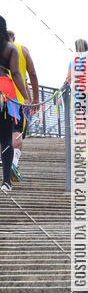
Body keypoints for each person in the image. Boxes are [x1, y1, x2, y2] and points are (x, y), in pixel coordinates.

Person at [6, 30, 39, 183]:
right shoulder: (21, 50)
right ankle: (13, 164)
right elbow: (31, 74)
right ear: (13, 38)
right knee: (16, 132)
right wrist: (34, 99)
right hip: (17, 100)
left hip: (2, 97)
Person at [0, 19, 28, 192]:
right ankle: (6, 183)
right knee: (5, 138)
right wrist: (25, 98)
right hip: (5, 90)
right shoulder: (10, 48)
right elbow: (16, 73)